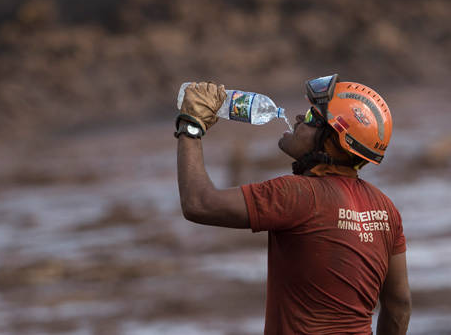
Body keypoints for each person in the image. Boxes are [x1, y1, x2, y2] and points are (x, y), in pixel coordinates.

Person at [174, 75, 410, 334]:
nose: (299, 118)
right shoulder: (386, 210)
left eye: (311, 117)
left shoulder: (297, 195)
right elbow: (399, 308)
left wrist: (192, 125)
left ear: (333, 141)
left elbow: (198, 203)